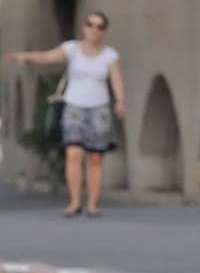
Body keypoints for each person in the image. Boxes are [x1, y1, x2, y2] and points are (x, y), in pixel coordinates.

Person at [11, 11, 126, 218]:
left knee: (96, 158)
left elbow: (116, 79)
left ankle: (93, 204)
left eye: (99, 27)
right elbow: (47, 57)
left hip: (99, 109)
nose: (94, 30)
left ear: (105, 32)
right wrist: (26, 57)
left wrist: (120, 101)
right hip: (74, 107)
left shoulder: (110, 55)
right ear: (84, 27)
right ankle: (74, 201)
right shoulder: (72, 49)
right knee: (74, 154)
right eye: (90, 25)